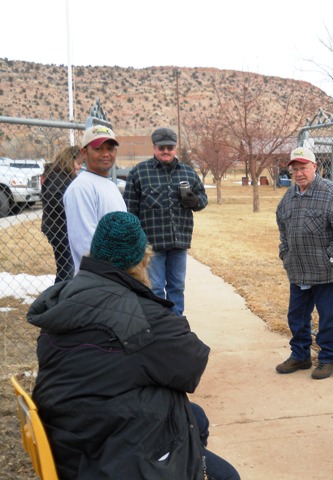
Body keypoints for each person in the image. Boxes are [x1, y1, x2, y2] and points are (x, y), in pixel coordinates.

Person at [27, 211, 240, 480]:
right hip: (109, 454)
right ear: (142, 258)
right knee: (228, 475)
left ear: (96, 252)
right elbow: (192, 364)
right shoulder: (144, 316)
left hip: (69, 434)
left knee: (195, 416)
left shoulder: (68, 294)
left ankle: (189, 461)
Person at [275, 146, 333, 380]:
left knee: (327, 317)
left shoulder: (331, 193)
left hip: (328, 272)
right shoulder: (289, 196)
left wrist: (330, 257)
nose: (299, 173)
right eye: (295, 169)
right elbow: (282, 226)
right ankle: (300, 355)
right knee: (297, 316)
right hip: (299, 270)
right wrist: (286, 253)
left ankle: (327, 358)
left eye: (303, 168)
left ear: (315, 167)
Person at [124, 127, 207, 316]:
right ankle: (158, 324)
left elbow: (202, 200)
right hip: (152, 245)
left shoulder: (187, 172)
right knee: (155, 288)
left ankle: (176, 325)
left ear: (175, 148)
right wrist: (135, 240)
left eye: (169, 147)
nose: (166, 151)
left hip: (179, 242)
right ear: (154, 147)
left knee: (177, 287)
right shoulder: (139, 173)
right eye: (161, 147)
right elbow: (130, 210)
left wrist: (195, 200)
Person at [63, 125, 126, 273]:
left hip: (118, 276)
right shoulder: (81, 188)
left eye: (110, 149)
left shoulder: (110, 185)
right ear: (84, 153)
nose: (105, 154)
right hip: (98, 280)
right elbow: (85, 243)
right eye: (98, 149)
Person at [40, 146, 83, 283]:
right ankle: (59, 296)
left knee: (67, 266)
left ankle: (62, 294)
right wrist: (76, 206)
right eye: (79, 162)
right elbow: (56, 201)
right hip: (58, 228)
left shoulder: (61, 175)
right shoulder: (58, 176)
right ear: (71, 160)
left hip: (61, 227)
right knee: (67, 268)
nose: (80, 167)